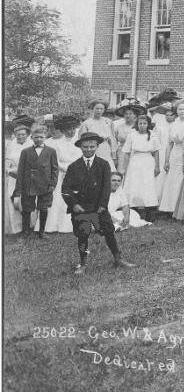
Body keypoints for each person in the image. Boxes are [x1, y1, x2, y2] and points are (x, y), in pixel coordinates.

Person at [63, 132, 136, 274]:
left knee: (109, 232)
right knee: (82, 235)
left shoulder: (103, 165)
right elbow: (66, 189)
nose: (88, 149)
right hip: (81, 208)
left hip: (99, 207)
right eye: (85, 147)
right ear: (80, 147)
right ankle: (83, 263)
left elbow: (106, 187)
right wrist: (74, 204)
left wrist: (103, 205)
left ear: (97, 146)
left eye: (92, 146)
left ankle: (118, 259)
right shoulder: (73, 166)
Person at [13, 125, 59, 238]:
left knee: (43, 208)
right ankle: (26, 231)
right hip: (29, 184)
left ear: (45, 137)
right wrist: (18, 189)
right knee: (27, 209)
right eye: (36, 137)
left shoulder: (51, 151)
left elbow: (55, 169)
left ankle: (42, 231)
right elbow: (21, 171)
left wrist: (53, 183)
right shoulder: (26, 151)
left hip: (45, 183)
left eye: (41, 137)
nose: (38, 139)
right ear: (31, 137)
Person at [42, 116, 81, 233]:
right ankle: (55, 225)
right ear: (63, 131)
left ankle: (72, 225)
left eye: (73, 128)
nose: (72, 131)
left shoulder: (79, 143)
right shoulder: (57, 144)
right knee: (59, 198)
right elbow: (55, 161)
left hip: (76, 173)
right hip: (60, 174)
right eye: (69, 129)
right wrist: (66, 169)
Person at [121, 115, 162, 221]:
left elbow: (156, 151)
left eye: (144, 123)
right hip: (135, 162)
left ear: (148, 124)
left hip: (148, 161)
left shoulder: (153, 135)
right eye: (140, 123)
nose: (142, 126)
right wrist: (124, 167)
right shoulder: (132, 135)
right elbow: (126, 152)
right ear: (137, 124)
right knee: (136, 184)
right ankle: (137, 209)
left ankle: (149, 209)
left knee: (147, 185)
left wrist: (157, 166)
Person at [5, 119, 32, 234]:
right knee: (14, 201)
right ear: (15, 135)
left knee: (27, 202)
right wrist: (10, 171)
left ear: (27, 135)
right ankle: (17, 226)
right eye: (18, 135)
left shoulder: (31, 145)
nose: (20, 137)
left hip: (28, 178)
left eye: (23, 134)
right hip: (13, 177)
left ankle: (28, 226)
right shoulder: (11, 146)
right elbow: (6, 162)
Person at [77, 101, 116, 165]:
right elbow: (81, 139)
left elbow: (112, 138)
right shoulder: (87, 123)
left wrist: (113, 154)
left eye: (101, 109)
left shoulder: (108, 122)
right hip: (92, 148)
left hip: (106, 148)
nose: (99, 111)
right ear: (93, 109)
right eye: (97, 109)